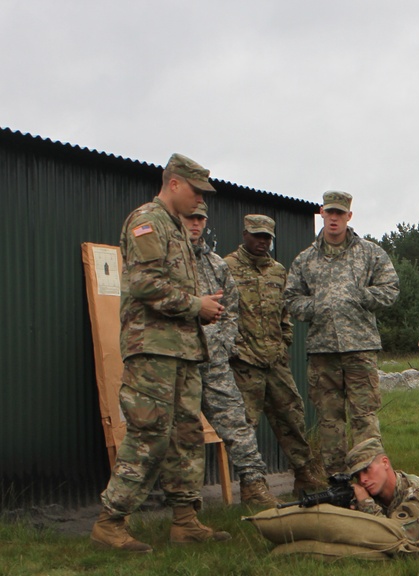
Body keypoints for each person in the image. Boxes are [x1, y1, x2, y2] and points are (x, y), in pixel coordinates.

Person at [91, 153, 230, 552]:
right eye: (196, 190)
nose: (200, 200)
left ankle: (185, 521)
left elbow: (171, 290)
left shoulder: (176, 230)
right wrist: (195, 305)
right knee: (149, 432)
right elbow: (144, 285)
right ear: (173, 184)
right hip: (151, 350)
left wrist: (202, 310)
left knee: (186, 435)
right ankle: (110, 521)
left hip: (182, 350)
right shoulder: (147, 222)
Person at [285, 191, 400, 475]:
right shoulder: (305, 260)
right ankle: (335, 480)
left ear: (349, 216)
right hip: (323, 351)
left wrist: (361, 295)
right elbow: (290, 299)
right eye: (329, 213)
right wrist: (315, 306)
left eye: (340, 214)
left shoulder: (370, 253)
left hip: (360, 348)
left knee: (364, 416)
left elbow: (390, 289)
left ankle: (370, 477)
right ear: (321, 214)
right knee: (329, 419)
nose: (334, 219)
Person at [183, 204, 278, 508]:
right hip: (178, 361)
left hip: (214, 361)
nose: (195, 224)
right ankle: (185, 503)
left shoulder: (215, 265)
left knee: (237, 424)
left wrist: (223, 344)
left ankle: (254, 487)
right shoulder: (167, 261)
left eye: (200, 218)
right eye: (189, 218)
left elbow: (231, 309)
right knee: (182, 432)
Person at [225, 215, 327, 495]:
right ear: (245, 234)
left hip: (274, 360)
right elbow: (219, 314)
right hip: (243, 362)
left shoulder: (278, 271)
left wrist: (284, 342)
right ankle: (251, 487)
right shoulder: (226, 267)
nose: (262, 242)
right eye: (257, 236)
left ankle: (305, 477)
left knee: (292, 416)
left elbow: (284, 315)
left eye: (267, 237)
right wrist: (232, 348)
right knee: (244, 427)